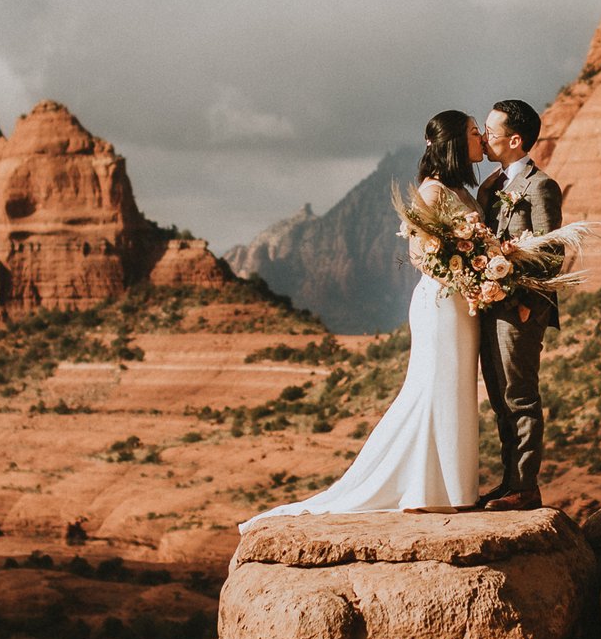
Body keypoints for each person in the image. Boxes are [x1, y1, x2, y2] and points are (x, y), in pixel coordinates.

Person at [238, 110, 487, 527]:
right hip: (443, 301)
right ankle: (422, 487)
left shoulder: (460, 190)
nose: (480, 138)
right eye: (473, 133)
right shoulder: (431, 192)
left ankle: (453, 488)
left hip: (465, 303)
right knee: (433, 384)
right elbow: (419, 254)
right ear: (454, 144)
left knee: (457, 384)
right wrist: (465, 272)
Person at [475, 98, 564, 511]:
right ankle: (508, 481)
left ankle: (525, 486)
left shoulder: (540, 186)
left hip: (521, 310)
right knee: (498, 397)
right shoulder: (490, 186)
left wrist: (528, 303)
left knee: (521, 396)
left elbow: (551, 252)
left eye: (491, 132)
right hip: (490, 306)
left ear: (515, 139)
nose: (485, 138)